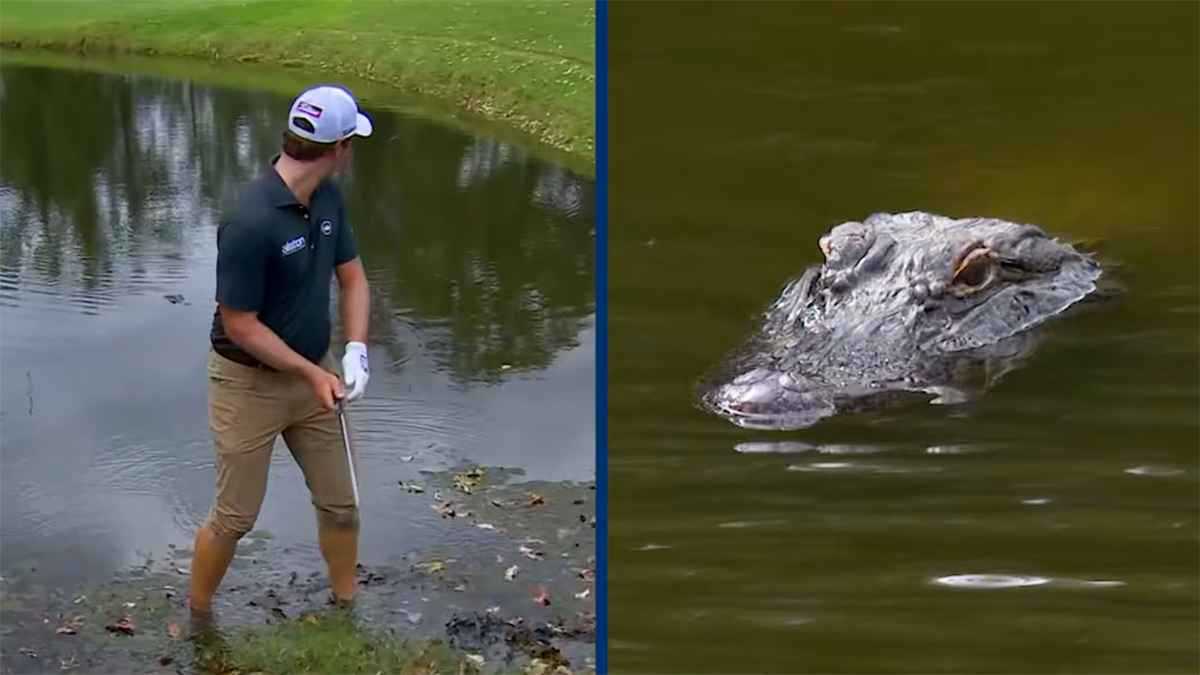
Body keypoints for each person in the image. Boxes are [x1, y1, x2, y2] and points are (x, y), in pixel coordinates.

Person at [188, 84, 373, 617]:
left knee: (342, 505)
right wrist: (311, 374)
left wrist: (356, 348)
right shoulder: (250, 221)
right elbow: (240, 324)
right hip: (247, 384)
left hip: (314, 372)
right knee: (235, 517)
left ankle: (347, 607)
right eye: (352, 142)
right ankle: (199, 616)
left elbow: (354, 279)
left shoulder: (329, 197)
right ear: (338, 148)